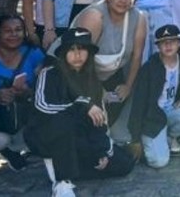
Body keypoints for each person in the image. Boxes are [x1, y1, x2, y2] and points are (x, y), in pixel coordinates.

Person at [25, 28, 135, 197]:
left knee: (123, 164)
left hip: (79, 136)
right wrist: (82, 105)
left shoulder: (91, 78)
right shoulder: (50, 73)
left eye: (82, 49)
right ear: (64, 53)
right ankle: (62, 181)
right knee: (63, 122)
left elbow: (99, 119)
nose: (77, 55)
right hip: (47, 133)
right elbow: (42, 107)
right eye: (71, 49)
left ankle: (72, 167)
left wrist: (102, 150)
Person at [69, 0, 148, 142]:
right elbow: (81, 57)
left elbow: (137, 55)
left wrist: (128, 86)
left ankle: (109, 137)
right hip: (74, 71)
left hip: (108, 72)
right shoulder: (95, 16)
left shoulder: (139, 18)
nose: (123, 1)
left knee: (117, 100)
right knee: (86, 110)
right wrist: (98, 89)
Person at [128, 25, 180, 168]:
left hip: (171, 111)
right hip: (153, 118)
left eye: (172, 41)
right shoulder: (149, 68)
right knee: (158, 162)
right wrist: (135, 139)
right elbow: (138, 103)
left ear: (179, 43)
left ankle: (169, 136)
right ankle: (153, 139)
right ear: (158, 46)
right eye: (163, 42)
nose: (168, 45)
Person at [0, 15, 47, 171]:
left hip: (23, 114)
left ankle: (16, 150)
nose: (13, 34)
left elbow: (47, 86)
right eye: (8, 31)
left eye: (18, 30)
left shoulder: (34, 53)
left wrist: (28, 92)